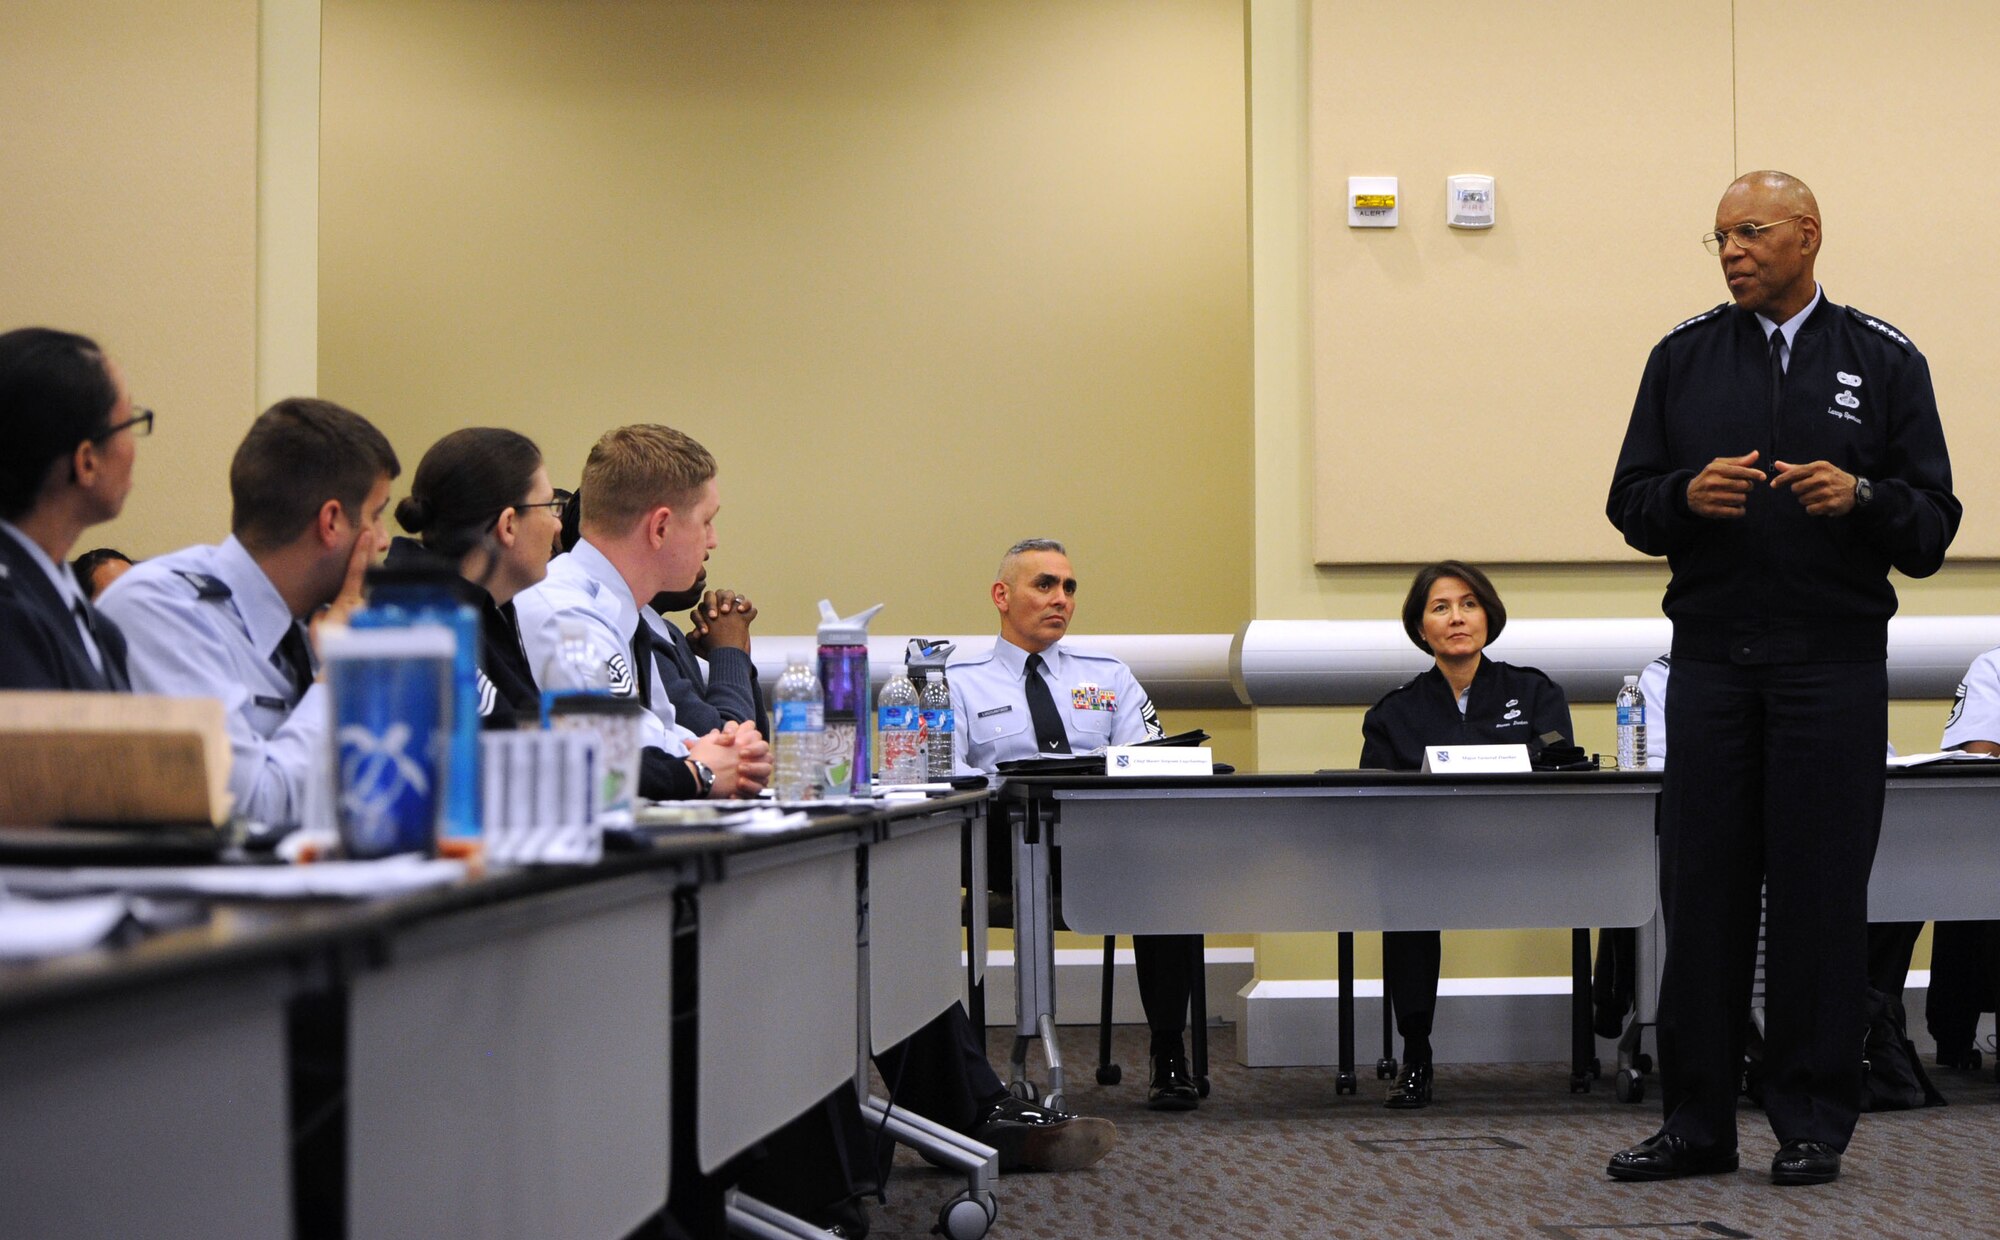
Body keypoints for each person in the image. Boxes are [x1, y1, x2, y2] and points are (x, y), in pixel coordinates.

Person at [1605, 171, 1960, 1186]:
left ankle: (1810, 1123)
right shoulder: (1679, 357)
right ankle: (1695, 1126)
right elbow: (1627, 502)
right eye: (1716, 236)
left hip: (1831, 671)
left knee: (1816, 902)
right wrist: (1682, 494)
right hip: (1711, 669)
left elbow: (1932, 527)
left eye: (1749, 232)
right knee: (1702, 896)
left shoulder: (1881, 359)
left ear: (1806, 235)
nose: (1729, 251)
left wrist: (1862, 497)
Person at [949, 538, 1207, 1111]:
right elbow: (951, 774)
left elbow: (1149, 762)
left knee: (1171, 879)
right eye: (1044, 585)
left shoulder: (1109, 677)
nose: (1060, 599)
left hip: (1103, 848)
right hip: (1002, 849)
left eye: (1068, 587)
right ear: (1002, 595)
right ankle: (971, 1068)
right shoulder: (957, 680)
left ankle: (1169, 1055)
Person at [98, 398, 400, 828]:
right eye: (377, 515)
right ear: (331, 522)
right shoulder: (161, 609)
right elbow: (250, 808)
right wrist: (338, 673)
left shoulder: (315, 621)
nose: (385, 540)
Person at [1359, 560, 1573, 1108]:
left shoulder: (1534, 691)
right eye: (1441, 607)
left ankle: (1588, 1046)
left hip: (1524, 854)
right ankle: (1416, 1053)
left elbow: (1557, 765)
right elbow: (1374, 807)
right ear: (1421, 627)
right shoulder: (1394, 712)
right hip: (1428, 862)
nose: (1457, 618)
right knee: (1405, 897)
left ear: (1488, 616)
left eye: (1469, 604)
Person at [514, 424, 769, 799]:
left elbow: (661, 731)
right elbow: (622, 758)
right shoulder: (566, 615)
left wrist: (731, 749)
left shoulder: (620, 611)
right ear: (661, 527)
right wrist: (717, 760)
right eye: (706, 521)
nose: (713, 540)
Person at [386, 427, 566, 728]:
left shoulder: (482, 609)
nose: (557, 526)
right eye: (549, 507)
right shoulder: (422, 624)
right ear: (508, 524)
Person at [0, 328, 143, 691]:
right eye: (129, 424)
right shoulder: (10, 617)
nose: (134, 448)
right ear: (86, 462)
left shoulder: (89, 618)